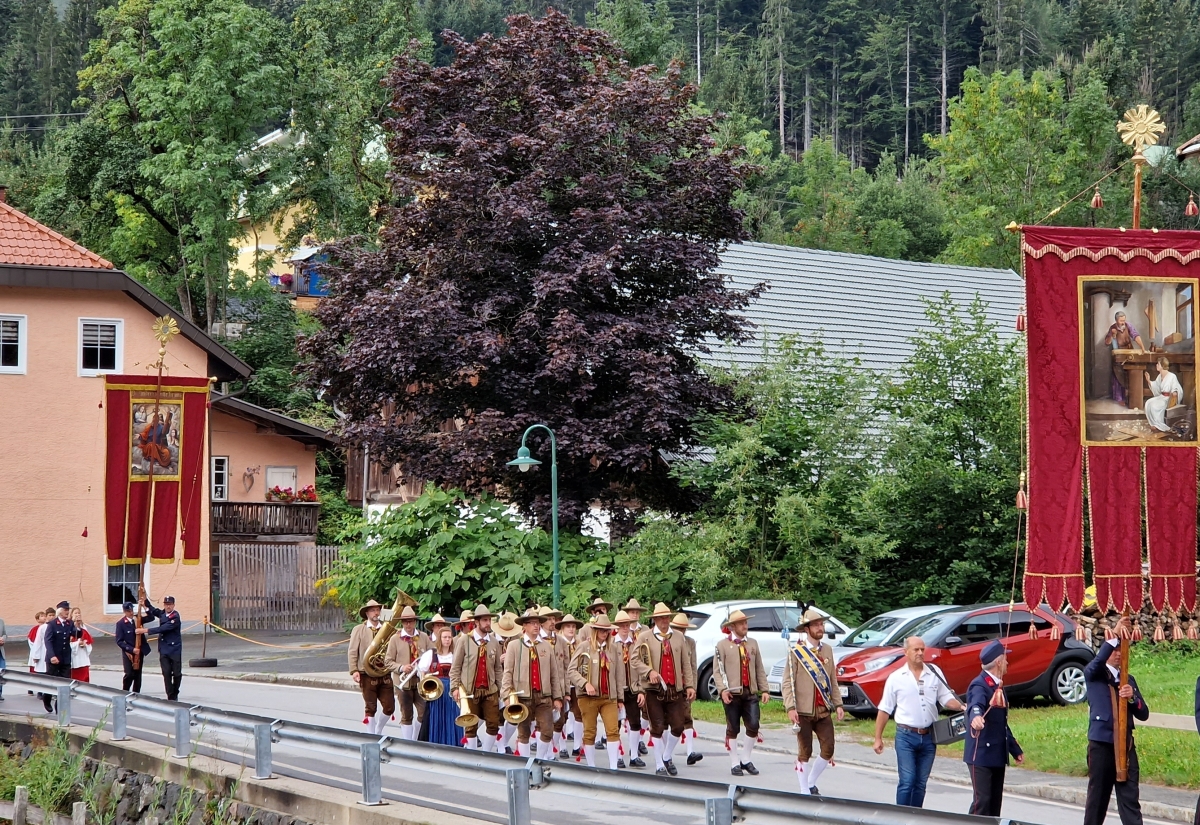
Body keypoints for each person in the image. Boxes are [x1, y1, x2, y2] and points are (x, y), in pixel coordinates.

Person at [873, 635, 966, 807]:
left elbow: (946, 698)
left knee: (921, 783)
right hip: (906, 736)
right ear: (906, 652)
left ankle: (916, 816)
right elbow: (885, 708)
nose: (920, 653)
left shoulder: (934, 672)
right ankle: (900, 817)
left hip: (930, 736)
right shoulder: (896, 677)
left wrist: (961, 707)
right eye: (916, 649)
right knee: (907, 781)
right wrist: (878, 737)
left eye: (922, 649)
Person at [1083, 616, 1149, 825]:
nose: (1119, 653)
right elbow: (1095, 664)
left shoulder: (1128, 678)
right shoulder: (1095, 674)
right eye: (1115, 649)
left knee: (1130, 798)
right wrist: (1114, 635)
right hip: (1102, 745)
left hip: (1125, 744)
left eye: (1122, 649)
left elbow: (1143, 713)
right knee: (1098, 799)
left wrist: (1132, 698)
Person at [630, 602, 696, 778]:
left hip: (675, 689)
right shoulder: (645, 637)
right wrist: (649, 671)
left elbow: (686, 665)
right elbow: (634, 660)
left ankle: (666, 756)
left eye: (666, 617)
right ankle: (659, 764)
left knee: (678, 726)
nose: (664, 621)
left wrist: (689, 685)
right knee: (657, 726)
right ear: (655, 620)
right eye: (660, 618)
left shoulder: (678, 638)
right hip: (653, 689)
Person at [783, 609, 844, 796]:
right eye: (816, 625)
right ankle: (804, 790)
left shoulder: (827, 650)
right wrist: (790, 707)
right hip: (803, 710)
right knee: (805, 751)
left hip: (823, 709)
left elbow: (832, 678)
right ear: (807, 629)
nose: (820, 628)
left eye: (821, 624)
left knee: (828, 748)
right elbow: (787, 681)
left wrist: (838, 703)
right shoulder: (796, 651)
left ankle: (810, 782)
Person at [964, 640, 1024, 816]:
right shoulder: (980, 684)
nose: (1007, 663)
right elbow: (976, 704)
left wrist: (1014, 749)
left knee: (994, 802)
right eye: (1005, 659)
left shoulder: (997, 685)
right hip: (981, 753)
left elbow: (1001, 722)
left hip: (997, 752)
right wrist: (975, 717)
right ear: (998, 662)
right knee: (982, 801)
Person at [714, 609, 769, 777]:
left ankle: (746, 758)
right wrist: (722, 690)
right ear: (732, 626)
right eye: (741, 623)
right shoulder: (722, 645)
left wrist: (764, 689)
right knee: (733, 728)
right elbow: (717, 671)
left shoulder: (752, 643)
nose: (745, 626)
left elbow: (759, 667)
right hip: (732, 693)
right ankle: (734, 761)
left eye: (746, 622)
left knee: (753, 725)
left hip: (750, 691)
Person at [501, 609, 562, 759]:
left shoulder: (546, 646)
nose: (536, 626)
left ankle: (540, 760)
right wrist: (506, 695)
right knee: (524, 732)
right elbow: (507, 672)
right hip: (523, 697)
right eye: (532, 623)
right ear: (525, 626)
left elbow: (554, 673)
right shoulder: (514, 646)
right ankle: (526, 763)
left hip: (544, 696)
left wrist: (558, 697)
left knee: (547, 730)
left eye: (538, 623)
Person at [568, 613, 624, 769]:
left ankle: (613, 766)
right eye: (600, 630)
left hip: (609, 697)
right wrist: (585, 683)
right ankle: (591, 765)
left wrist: (620, 699)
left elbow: (619, 675)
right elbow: (571, 670)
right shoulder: (584, 646)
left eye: (606, 631)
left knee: (613, 731)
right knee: (590, 731)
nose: (604, 633)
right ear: (594, 630)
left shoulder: (613, 648)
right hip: (588, 698)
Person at [449, 604, 503, 752]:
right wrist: (454, 688)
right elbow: (455, 667)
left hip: (490, 690)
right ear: (477, 622)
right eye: (484, 620)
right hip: (469, 690)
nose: (488, 623)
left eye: (489, 620)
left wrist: (502, 690)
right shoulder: (464, 640)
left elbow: (498, 668)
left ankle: (486, 753)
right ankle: (472, 754)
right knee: (470, 724)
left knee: (493, 723)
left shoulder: (494, 642)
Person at [384, 605, 431, 741]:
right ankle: (408, 742)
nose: (408, 624)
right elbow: (388, 661)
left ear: (415, 622)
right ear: (402, 623)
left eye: (411, 621)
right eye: (405, 621)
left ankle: (415, 738)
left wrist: (424, 665)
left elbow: (432, 655)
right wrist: (401, 668)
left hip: (420, 682)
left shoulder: (423, 637)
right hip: (403, 683)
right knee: (406, 714)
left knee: (423, 713)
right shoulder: (395, 639)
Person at [348, 599, 394, 734]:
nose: (376, 612)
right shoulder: (359, 629)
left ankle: (378, 728)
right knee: (370, 707)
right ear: (367, 613)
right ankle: (371, 735)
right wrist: (354, 670)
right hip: (366, 673)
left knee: (389, 707)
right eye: (373, 610)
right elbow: (352, 651)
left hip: (384, 673)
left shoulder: (387, 628)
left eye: (378, 610)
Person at [416, 626, 463, 746]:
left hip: (451, 690)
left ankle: (452, 743)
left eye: (449, 637)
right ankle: (435, 742)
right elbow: (422, 671)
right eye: (444, 637)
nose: (447, 640)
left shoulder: (455, 654)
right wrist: (426, 679)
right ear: (439, 639)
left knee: (451, 716)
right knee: (435, 717)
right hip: (435, 691)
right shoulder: (431, 654)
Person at [613, 610, 647, 768]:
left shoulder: (636, 644)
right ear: (617, 627)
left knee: (635, 722)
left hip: (633, 688)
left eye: (627, 625)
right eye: (622, 626)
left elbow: (641, 667)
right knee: (616, 724)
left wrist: (641, 690)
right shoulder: (612, 644)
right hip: (617, 690)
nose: (625, 628)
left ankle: (634, 755)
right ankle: (618, 755)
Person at [671, 613, 703, 766]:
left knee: (687, 717)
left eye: (683, 629)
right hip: (671, 685)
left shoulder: (690, 643)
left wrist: (693, 687)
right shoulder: (668, 641)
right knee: (667, 720)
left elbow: (693, 666)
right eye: (678, 628)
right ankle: (666, 752)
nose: (681, 632)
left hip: (685, 685)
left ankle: (690, 752)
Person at [554, 613, 583, 760]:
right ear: (562, 628)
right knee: (562, 716)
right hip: (562, 684)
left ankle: (578, 746)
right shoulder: (557, 643)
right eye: (568, 626)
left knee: (579, 714)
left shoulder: (580, 643)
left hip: (576, 684)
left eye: (573, 626)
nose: (571, 629)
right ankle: (562, 746)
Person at [145, 595, 183, 701]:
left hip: (174, 649)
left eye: (170, 604)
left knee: (177, 673)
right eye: (166, 604)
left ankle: (175, 691)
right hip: (164, 649)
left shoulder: (175, 617)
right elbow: (153, 610)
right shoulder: (163, 614)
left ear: (173, 605)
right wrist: (144, 598)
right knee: (166, 673)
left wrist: (146, 631)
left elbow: (164, 628)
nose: (168, 606)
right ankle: (170, 696)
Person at [1104, 311, 1146, 405]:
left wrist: (1142, 347)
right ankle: (1120, 399)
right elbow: (1107, 342)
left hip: (1129, 351)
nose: (1123, 322)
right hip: (1118, 353)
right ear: (1116, 320)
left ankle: (1131, 397)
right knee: (1118, 374)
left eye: (1124, 320)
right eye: (1121, 320)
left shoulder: (1128, 326)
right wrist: (1111, 335)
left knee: (1131, 373)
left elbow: (1135, 336)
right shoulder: (1112, 328)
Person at [115, 602, 151, 693]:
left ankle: (136, 694)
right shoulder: (121, 623)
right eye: (128, 611)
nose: (131, 613)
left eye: (131, 610)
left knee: (138, 675)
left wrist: (145, 607)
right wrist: (131, 649)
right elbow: (119, 641)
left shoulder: (137, 619)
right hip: (129, 653)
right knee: (129, 673)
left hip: (139, 650)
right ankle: (125, 692)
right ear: (124, 611)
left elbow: (151, 617)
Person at [1144, 357, 1184, 432]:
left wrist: (1175, 392)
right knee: (1148, 403)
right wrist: (1148, 380)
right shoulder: (1159, 376)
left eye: (1158, 364)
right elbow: (1156, 386)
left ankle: (1158, 424)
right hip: (1162, 397)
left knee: (1154, 405)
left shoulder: (1172, 376)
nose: (1156, 365)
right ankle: (1153, 424)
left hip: (1168, 399)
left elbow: (1177, 388)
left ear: (1162, 365)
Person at [69, 608, 93, 683]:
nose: (78, 615)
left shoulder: (83, 627)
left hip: (83, 655)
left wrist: (85, 644)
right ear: (72, 615)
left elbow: (88, 639)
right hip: (74, 657)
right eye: (75, 613)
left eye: (79, 613)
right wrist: (77, 643)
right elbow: (68, 642)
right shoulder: (70, 626)